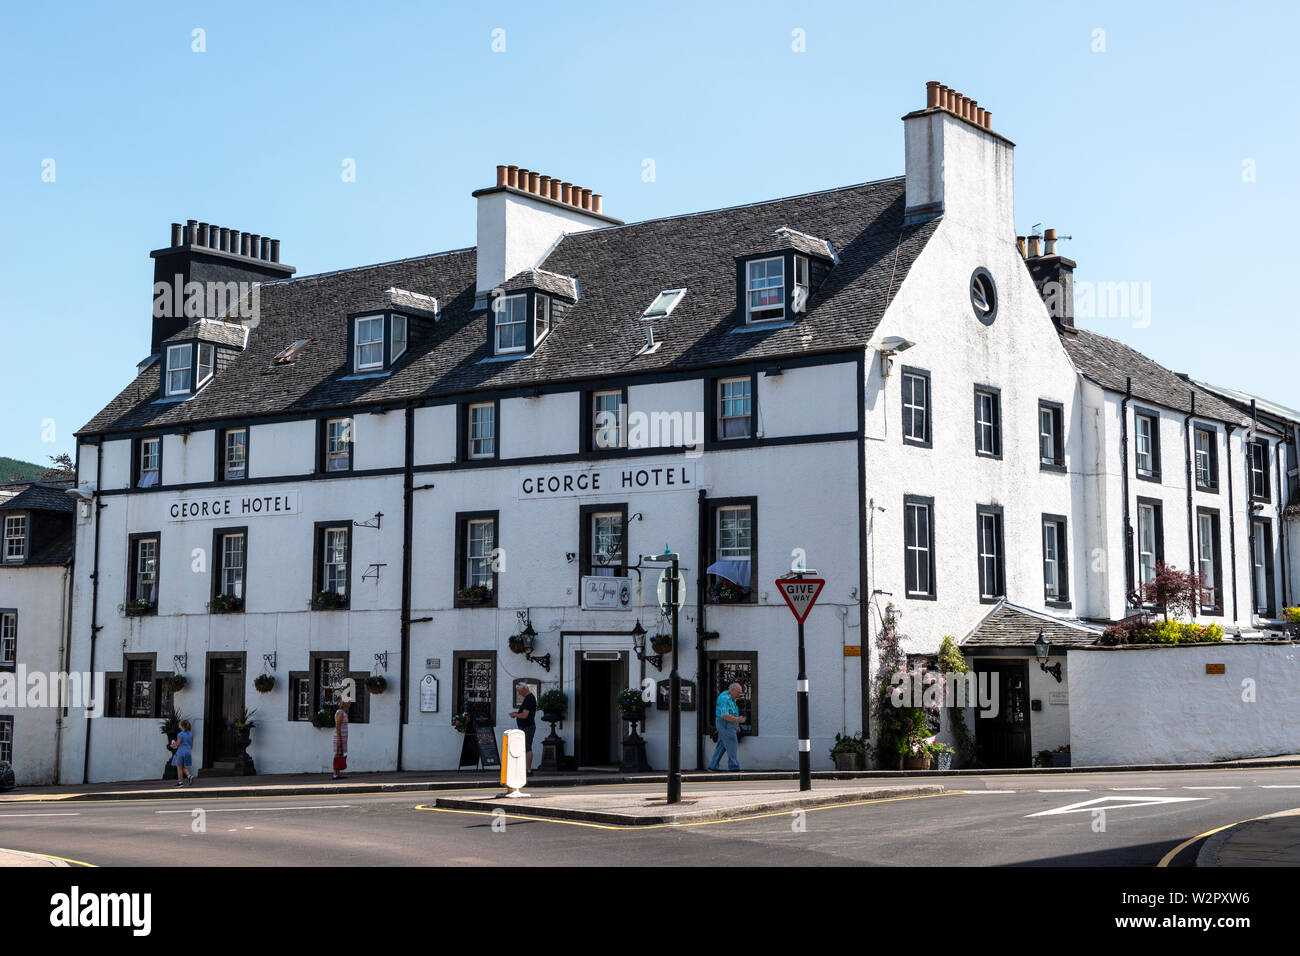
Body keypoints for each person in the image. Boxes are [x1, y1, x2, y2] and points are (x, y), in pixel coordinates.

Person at [708, 682, 745, 772]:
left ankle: (713, 766)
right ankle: (734, 767)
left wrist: (737, 725)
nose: (739, 694)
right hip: (726, 723)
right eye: (738, 692)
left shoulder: (730, 697)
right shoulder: (724, 698)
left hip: (728, 723)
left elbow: (732, 712)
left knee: (722, 746)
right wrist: (738, 720)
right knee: (732, 744)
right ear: (732, 690)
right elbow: (724, 715)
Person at [508, 682, 537, 772]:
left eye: (519, 691)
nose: (519, 693)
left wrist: (515, 714)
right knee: (525, 748)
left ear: (524, 689)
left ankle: (528, 770)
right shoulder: (528, 698)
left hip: (527, 727)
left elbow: (525, 715)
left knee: (527, 748)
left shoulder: (529, 699)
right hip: (526, 727)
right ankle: (525, 769)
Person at [169, 719, 195, 786]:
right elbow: (191, 745)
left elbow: (177, 744)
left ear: (182, 726)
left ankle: (180, 783)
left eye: (180, 724)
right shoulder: (191, 734)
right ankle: (189, 776)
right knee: (183, 766)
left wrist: (171, 745)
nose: (179, 725)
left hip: (181, 752)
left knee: (179, 768)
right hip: (188, 752)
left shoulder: (180, 734)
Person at [332, 700, 350, 780]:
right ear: (344, 703)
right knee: (337, 755)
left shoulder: (343, 712)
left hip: (343, 737)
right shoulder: (340, 712)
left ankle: (338, 773)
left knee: (340, 754)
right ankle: (335, 774)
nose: (350, 703)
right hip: (340, 737)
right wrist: (339, 739)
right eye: (349, 702)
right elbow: (338, 725)